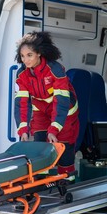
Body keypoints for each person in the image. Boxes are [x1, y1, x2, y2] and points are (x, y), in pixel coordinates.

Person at [14, 31, 79, 181]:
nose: (25, 60)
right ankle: (41, 180)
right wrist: (23, 129)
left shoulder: (55, 70)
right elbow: (21, 104)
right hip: (41, 111)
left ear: (39, 54)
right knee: (39, 143)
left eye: (29, 55)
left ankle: (67, 179)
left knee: (63, 145)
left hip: (65, 111)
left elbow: (61, 101)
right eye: (23, 56)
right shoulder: (22, 75)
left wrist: (54, 128)